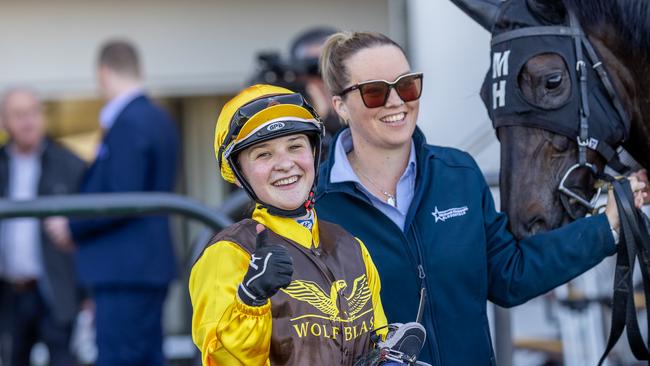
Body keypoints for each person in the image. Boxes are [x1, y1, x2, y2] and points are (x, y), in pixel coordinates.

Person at [314, 31, 646, 365]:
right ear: (340, 105)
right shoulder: (318, 206)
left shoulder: (459, 174)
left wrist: (608, 225)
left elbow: (510, 275)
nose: (397, 101)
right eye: (375, 92)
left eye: (407, 84)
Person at [189, 84, 390, 365]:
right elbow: (222, 359)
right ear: (238, 174)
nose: (284, 164)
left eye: (295, 146)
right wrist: (250, 298)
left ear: (314, 153)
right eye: (263, 154)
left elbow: (379, 343)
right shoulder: (229, 253)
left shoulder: (352, 248)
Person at [61, 39, 179, 365]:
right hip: (142, 266)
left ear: (102, 73)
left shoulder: (129, 121)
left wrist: (70, 224)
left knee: (122, 358)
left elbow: (120, 196)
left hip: (125, 269)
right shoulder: (158, 117)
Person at [0, 87, 86, 366]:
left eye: (34, 112)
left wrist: (87, 295)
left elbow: (88, 230)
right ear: (4, 121)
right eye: (19, 114)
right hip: (10, 291)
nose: (28, 121)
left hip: (57, 290)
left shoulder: (70, 164)